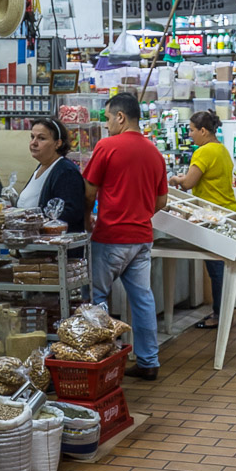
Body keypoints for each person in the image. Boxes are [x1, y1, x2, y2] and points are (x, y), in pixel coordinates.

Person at [84, 93, 167, 380]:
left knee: (96, 298)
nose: (106, 125)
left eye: (107, 118)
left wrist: (86, 217)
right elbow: (162, 200)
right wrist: (140, 212)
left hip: (110, 236)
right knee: (143, 300)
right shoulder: (154, 152)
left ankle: (102, 360)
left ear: (120, 117)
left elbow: (89, 190)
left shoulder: (107, 146)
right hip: (142, 238)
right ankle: (148, 361)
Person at [169, 109, 236, 330]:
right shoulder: (222, 150)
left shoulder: (203, 152)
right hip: (228, 212)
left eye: (191, 130)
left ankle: (218, 315)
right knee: (222, 269)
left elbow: (188, 183)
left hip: (211, 217)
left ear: (203, 131)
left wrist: (175, 178)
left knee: (216, 269)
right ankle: (223, 311)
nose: (190, 135)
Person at [17, 118, 86, 233]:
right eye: (32, 137)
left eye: (41, 138)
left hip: (51, 248)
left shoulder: (66, 171)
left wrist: (37, 222)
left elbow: (71, 213)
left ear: (58, 143)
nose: (34, 142)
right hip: (32, 247)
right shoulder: (42, 167)